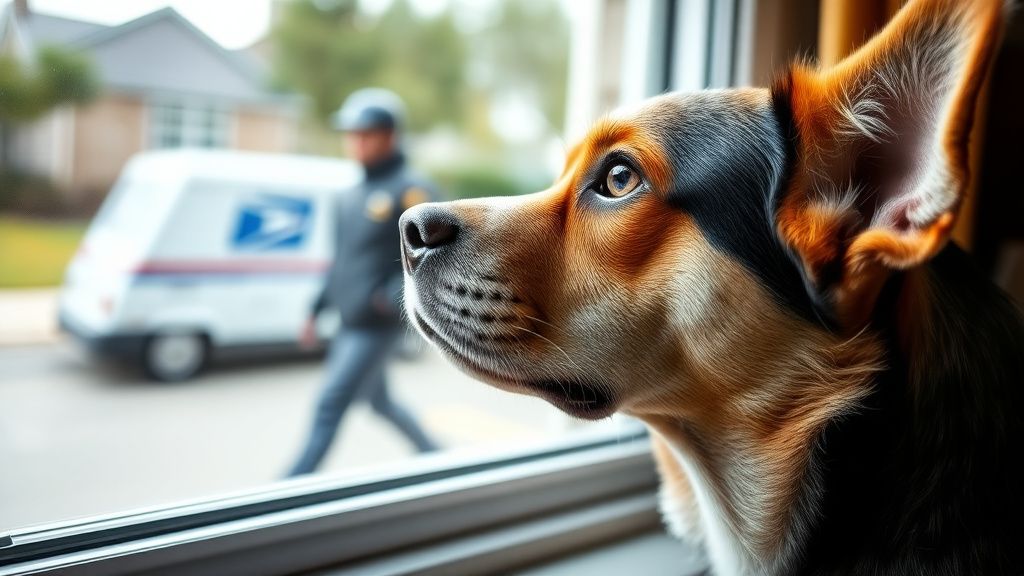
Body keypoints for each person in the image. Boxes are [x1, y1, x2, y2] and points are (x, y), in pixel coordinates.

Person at [287, 88, 440, 477]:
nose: (355, 141)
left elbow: (431, 260)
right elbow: (340, 261)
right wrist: (315, 309)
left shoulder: (411, 191)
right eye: (351, 133)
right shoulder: (348, 195)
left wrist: (386, 299)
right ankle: (437, 455)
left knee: (329, 403)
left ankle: (282, 492)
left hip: (375, 323)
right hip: (349, 320)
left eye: (365, 133)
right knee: (380, 402)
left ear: (390, 136)